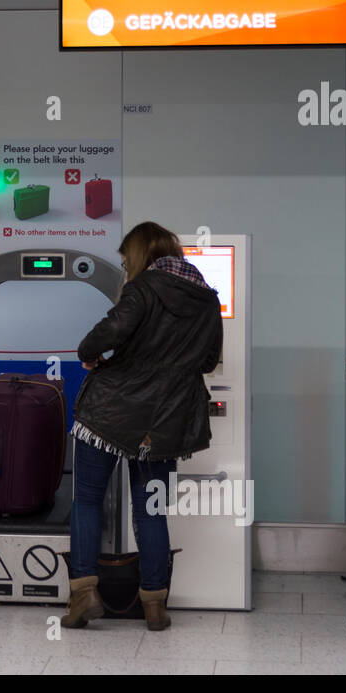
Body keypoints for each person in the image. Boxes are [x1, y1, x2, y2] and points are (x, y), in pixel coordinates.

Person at [65, 222, 222, 631]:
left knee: (86, 500)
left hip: (109, 414)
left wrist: (90, 355)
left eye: (124, 260)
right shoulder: (207, 300)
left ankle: (83, 595)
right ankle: (154, 604)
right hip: (166, 420)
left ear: (139, 255)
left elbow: (106, 334)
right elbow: (207, 362)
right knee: (152, 510)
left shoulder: (143, 288)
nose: (124, 267)